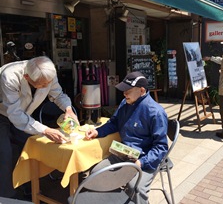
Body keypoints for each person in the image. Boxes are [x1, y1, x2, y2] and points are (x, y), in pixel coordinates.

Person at [0, 56, 78, 198]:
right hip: (3, 114)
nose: (45, 87)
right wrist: (45, 130)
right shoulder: (9, 76)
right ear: (26, 77)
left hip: (24, 114)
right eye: (42, 85)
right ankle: (7, 198)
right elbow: (14, 113)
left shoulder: (47, 73)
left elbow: (58, 94)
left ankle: (30, 188)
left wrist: (68, 109)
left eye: (48, 83)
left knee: (32, 147)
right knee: (4, 154)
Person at [85, 71, 168, 204]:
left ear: (141, 90)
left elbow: (161, 147)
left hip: (145, 158)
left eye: (128, 90)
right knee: (96, 173)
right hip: (124, 152)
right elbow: (114, 123)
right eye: (124, 90)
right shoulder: (125, 103)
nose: (124, 94)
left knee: (135, 187)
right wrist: (97, 132)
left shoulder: (156, 112)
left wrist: (142, 162)